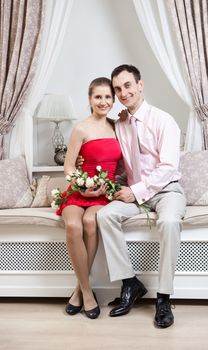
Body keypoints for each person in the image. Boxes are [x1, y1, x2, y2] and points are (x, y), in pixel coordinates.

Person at [96, 64, 186, 328]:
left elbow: (168, 167)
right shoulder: (120, 124)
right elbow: (122, 165)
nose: (123, 93)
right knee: (105, 215)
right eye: (117, 89)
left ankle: (163, 297)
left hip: (168, 190)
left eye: (127, 86)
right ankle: (130, 283)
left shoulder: (164, 120)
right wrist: (104, 181)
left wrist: (134, 191)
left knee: (169, 222)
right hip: (138, 197)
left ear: (140, 84)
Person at [57, 77, 122, 319]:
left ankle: (78, 290)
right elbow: (69, 166)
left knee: (89, 222)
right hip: (79, 190)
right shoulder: (81, 128)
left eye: (108, 97)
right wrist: (81, 186)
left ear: (113, 100)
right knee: (73, 224)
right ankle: (87, 291)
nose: (103, 101)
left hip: (104, 194)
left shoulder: (118, 127)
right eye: (98, 97)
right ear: (89, 99)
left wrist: (109, 187)